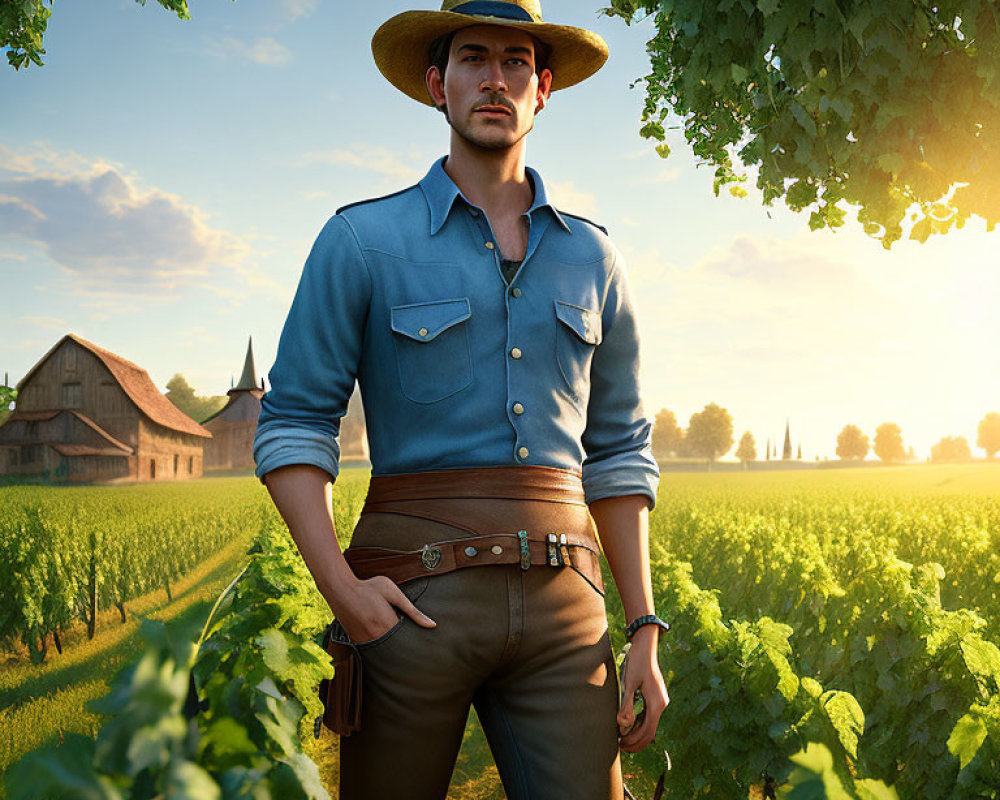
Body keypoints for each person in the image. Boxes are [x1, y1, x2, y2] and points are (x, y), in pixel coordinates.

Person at [252, 1, 669, 797]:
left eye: (516, 62)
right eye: (474, 58)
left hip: (566, 611)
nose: (496, 79)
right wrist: (340, 589)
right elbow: (295, 423)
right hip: (408, 602)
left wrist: (643, 627)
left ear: (543, 89)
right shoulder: (360, 241)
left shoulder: (594, 256)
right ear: (437, 84)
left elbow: (618, 451)